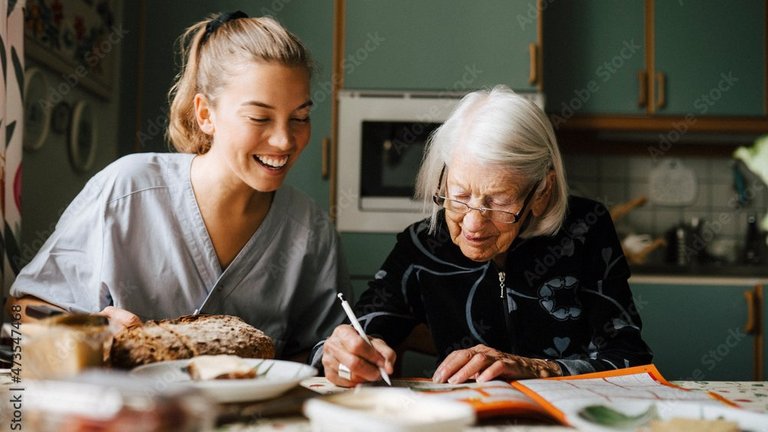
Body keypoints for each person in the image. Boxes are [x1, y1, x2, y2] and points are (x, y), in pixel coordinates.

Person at [7, 12, 351, 361]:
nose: (283, 140)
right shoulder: (126, 190)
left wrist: (340, 357)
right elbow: (22, 310)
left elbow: (321, 349)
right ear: (205, 114)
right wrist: (87, 329)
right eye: (259, 117)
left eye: (300, 117)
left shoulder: (312, 230)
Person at [319, 86, 652, 385]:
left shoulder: (587, 229)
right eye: (460, 196)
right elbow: (361, 327)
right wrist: (345, 354)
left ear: (541, 191)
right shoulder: (423, 244)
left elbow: (631, 359)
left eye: (499, 201)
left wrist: (537, 368)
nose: (473, 225)